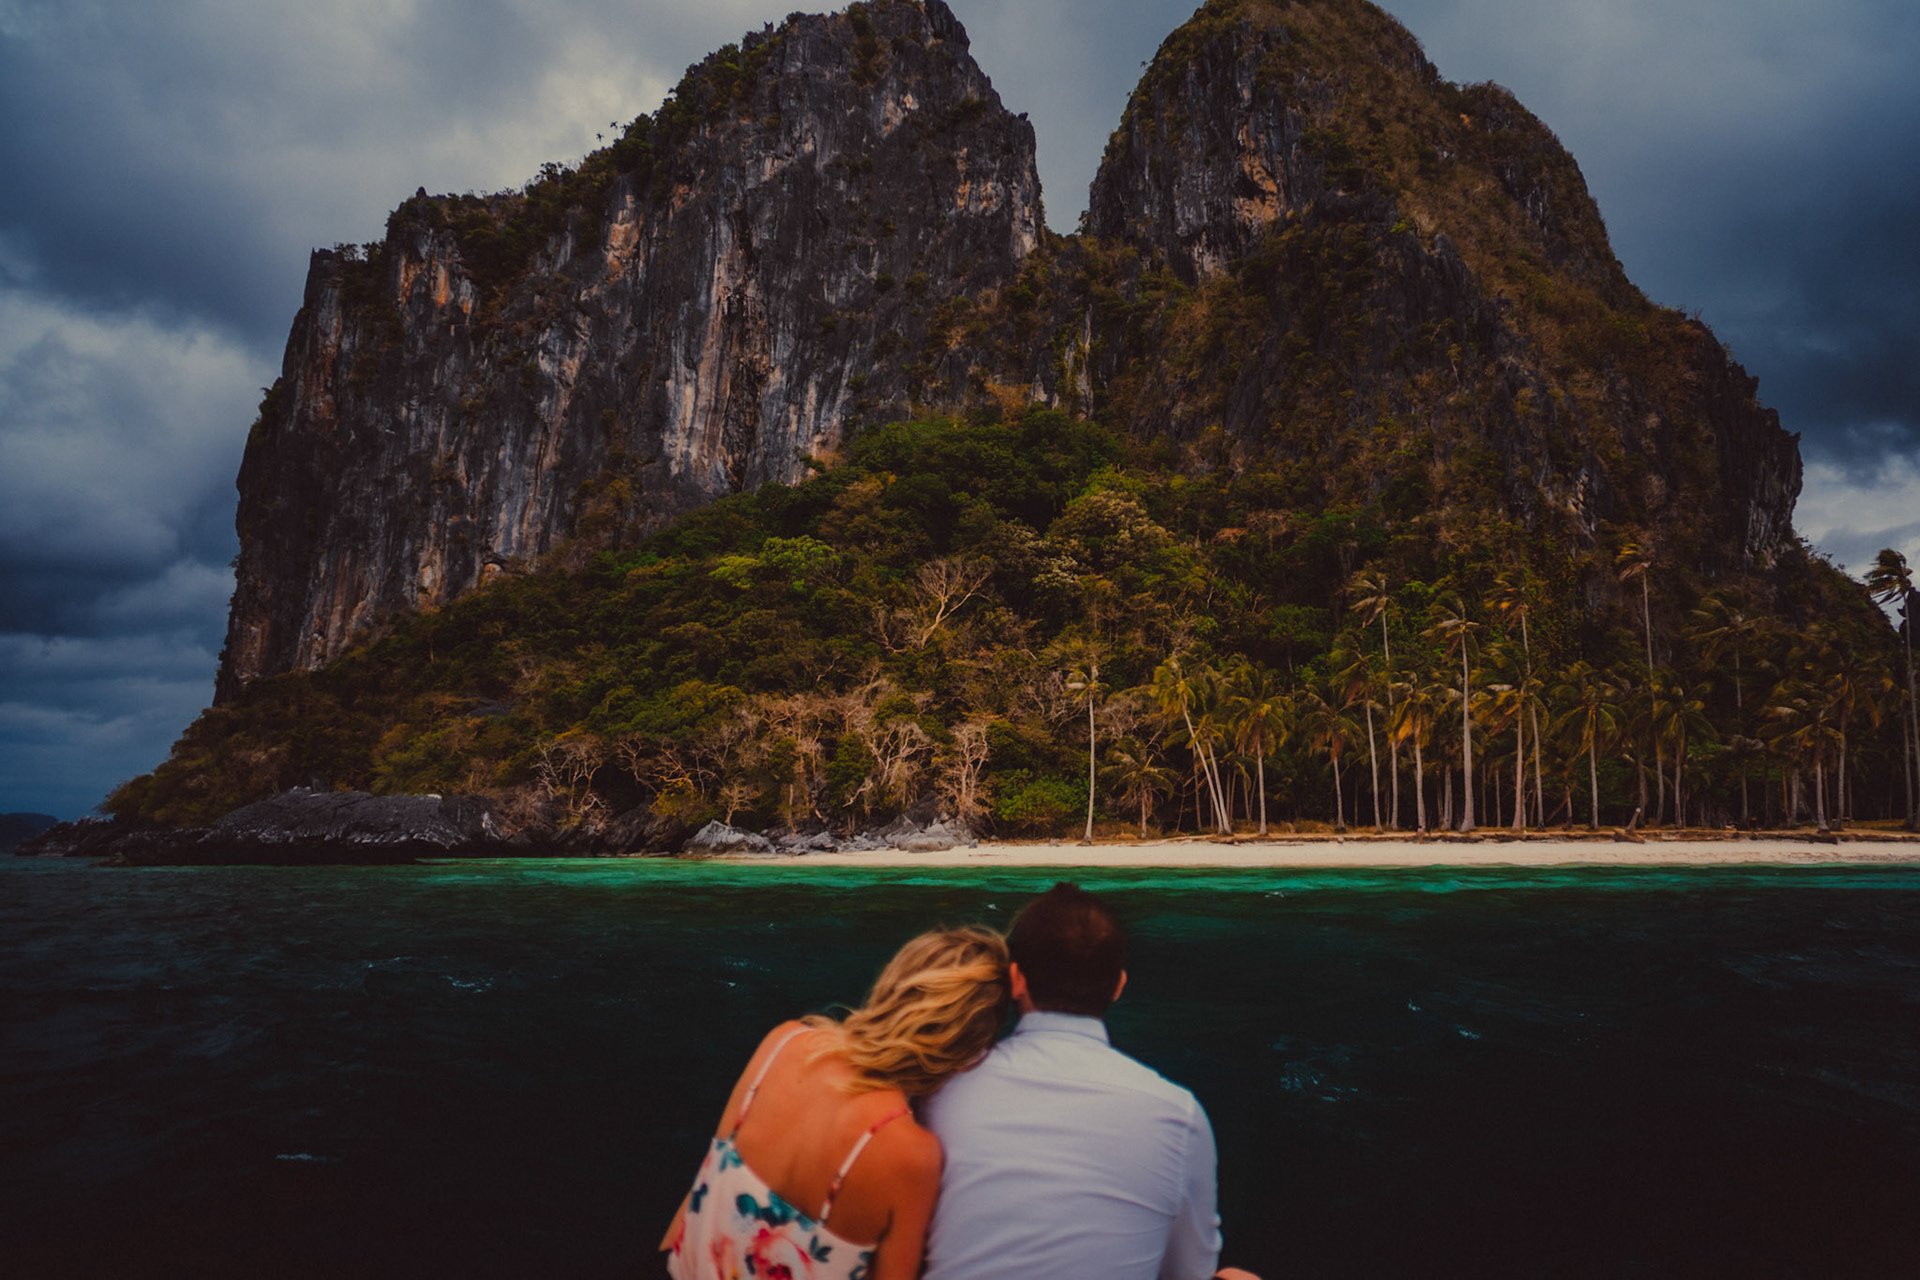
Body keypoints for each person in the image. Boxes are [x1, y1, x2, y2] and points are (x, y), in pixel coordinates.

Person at [922, 882, 1254, 1280]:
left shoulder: (944, 1089)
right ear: (1118, 986)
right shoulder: (1179, 1114)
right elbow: (1189, 1272)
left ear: (1016, 979)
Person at [661, 926, 1009, 1280]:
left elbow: (698, 1196)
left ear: (892, 982)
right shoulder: (911, 1155)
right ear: (963, 1050)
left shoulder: (784, 1043)